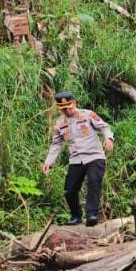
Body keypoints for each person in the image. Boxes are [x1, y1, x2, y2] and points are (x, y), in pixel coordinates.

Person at [41, 91, 114, 226]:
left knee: (93, 182)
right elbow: (56, 144)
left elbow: (104, 127)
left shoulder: (87, 115)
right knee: (69, 190)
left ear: (74, 103)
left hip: (94, 156)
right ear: (59, 108)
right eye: (63, 108)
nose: (67, 110)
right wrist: (48, 162)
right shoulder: (59, 123)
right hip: (76, 159)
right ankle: (76, 216)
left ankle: (92, 215)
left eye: (69, 106)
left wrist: (108, 138)